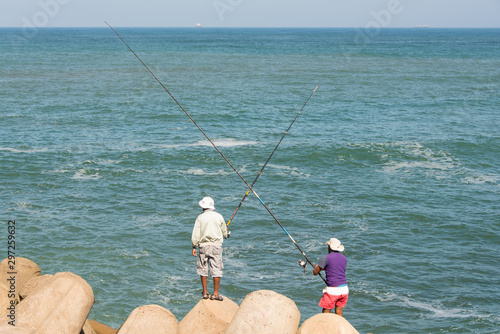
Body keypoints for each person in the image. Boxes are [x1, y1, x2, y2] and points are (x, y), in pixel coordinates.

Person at [191, 196, 229, 301]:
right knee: (216, 269)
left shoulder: (200, 217)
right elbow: (225, 233)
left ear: (203, 207)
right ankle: (215, 294)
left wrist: (194, 246)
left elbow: (196, 234)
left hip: (203, 246)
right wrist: (226, 232)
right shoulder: (219, 216)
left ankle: (205, 292)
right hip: (216, 246)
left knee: (203, 268)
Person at [313, 237, 349, 316]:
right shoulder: (344, 258)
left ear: (330, 247)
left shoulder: (326, 257)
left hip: (333, 290)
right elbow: (335, 269)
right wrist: (322, 268)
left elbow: (315, 272)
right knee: (339, 312)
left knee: (326, 311)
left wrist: (316, 268)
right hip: (344, 289)